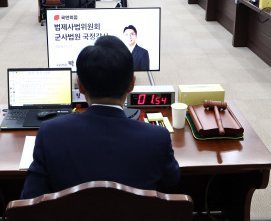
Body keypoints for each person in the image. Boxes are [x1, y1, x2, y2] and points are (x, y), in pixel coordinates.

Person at [21, 35, 180, 199]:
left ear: (80, 86)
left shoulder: (49, 133)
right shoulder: (157, 137)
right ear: (131, 84)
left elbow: (30, 199)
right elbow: (172, 180)